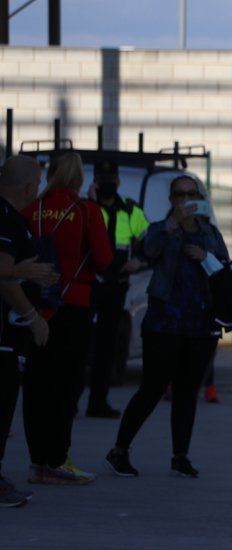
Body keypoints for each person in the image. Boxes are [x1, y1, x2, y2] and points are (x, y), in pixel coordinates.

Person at [107, 175, 228, 478]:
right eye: (179, 194)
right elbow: (146, 251)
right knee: (152, 388)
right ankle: (119, 449)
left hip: (200, 324)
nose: (185, 199)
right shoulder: (162, 229)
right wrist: (173, 224)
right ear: (172, 199)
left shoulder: (210, 233)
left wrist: (206, 257)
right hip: (164, 323)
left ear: (200, 197)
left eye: (191, 193)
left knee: (188, 392)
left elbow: (226, 268)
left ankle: (180, 455)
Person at [21, 152, 113, 485]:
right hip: (72, 306)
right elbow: (103, 260)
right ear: (78, 177)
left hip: (31, 307)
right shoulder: (87, 211)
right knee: (66, 385)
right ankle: (58, 459)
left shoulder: (31, 210)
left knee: (35, 385)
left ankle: (37, 462)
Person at [0, 156, 50, 507]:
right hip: (5, 335)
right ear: (30, 187)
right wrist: (33, 316)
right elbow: (2, 274)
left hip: (8, 334)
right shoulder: (5, 219)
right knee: (2, 407)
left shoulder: (13, 219)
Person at [85, 161, 149, 418]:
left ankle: (97, 402)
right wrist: (91, 203)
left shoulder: (130, 210)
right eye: (102, 179)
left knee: (106, 347)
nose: (107, 184)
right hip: (89, 284)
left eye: (111, 179)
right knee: (79, 345)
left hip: (116, 286)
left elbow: (149, 239)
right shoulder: (87, 208)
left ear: (118, 183)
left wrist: (140, 260)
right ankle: (69, 403)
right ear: (95, 183)